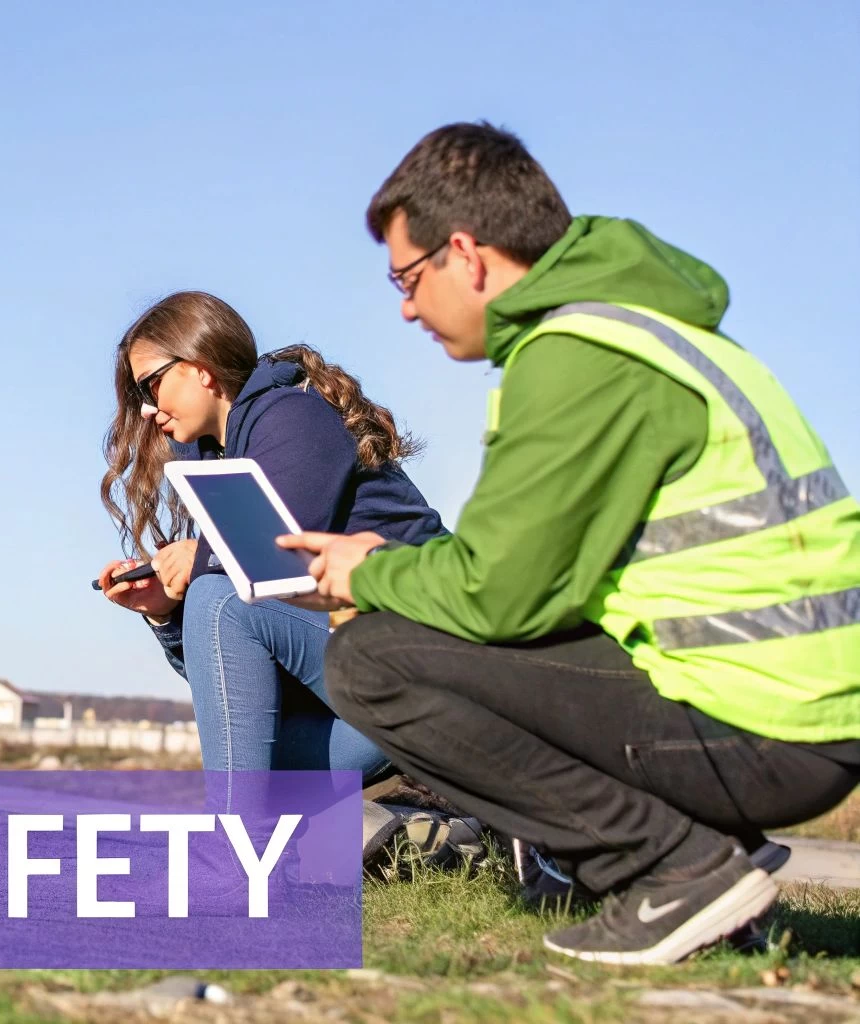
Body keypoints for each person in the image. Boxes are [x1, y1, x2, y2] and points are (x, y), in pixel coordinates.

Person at [280, 122, 860, 964]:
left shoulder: (577, 356)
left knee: (374, 658)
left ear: (467, 256)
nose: (405, 306)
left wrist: (368, 570)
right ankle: (715, 870)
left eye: (407, 277)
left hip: (767, 723)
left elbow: (496, 594)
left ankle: (674, 868)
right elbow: (548, 589)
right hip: (798, 704)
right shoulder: (643, 332)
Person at [97, 290, 445, 783]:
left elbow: (275, 568)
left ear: (200, 365)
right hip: (356, 701)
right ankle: (268, 844)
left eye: (150, 386)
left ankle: (236, 853)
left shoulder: (291, 415)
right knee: (248, 741)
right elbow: (229, 679)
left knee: (217, 598)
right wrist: (166, 615)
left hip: (425, 674)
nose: (148, 410)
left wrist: (202, 564)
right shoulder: (213, 457)